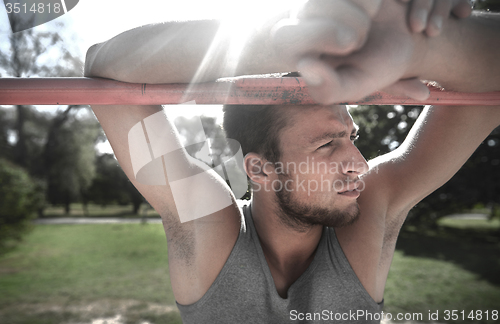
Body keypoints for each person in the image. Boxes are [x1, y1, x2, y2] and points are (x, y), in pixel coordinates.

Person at [84, 0, 500, 322]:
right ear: (259, 169)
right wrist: (293, 40)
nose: (358, 162)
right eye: (326, 145)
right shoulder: (208, 221)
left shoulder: (370, 205)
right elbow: (103, 66)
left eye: (350, 138)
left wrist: (421, 46)